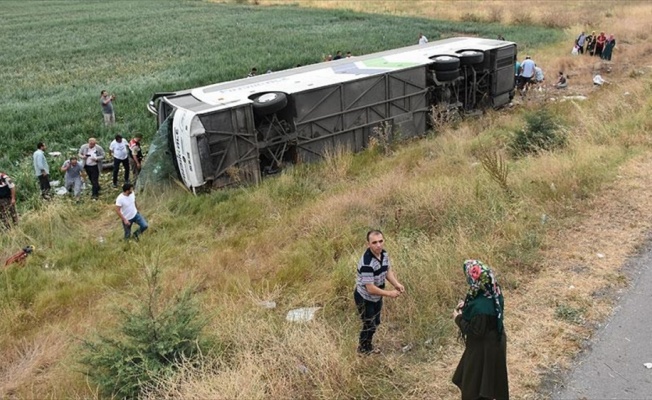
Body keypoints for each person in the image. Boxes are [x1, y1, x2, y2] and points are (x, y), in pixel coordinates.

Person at [452, 259, 509, 400]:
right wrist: (467, 306)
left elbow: (475, 331)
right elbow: (481, 303)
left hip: (484, 349)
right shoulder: (493, 290)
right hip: (495, 343)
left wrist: (458, 318)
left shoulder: (481, 308)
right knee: (488, 383)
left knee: (475, 386)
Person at [354, 230, 405, 354]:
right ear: (368, 244)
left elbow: (387, 271)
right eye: (374, 242)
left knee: (376, 322)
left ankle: (367, 346)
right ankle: (363, 349)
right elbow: (370, 288)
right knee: (369, 324)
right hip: (365, 297)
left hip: (377, 296)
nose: (378, 245)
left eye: (381, 241)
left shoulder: (384, 254)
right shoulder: (367, 263)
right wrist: (389, 293)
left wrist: (396, 284)